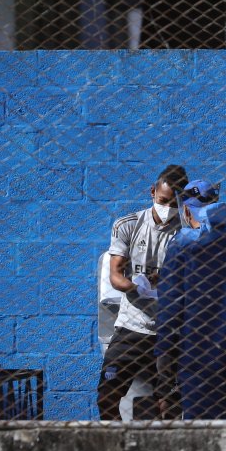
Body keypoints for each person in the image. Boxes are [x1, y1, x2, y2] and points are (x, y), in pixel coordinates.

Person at [155, 179, 226, 420]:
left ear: (186, 210)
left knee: (202, 429)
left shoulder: (181, 246)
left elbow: (169, 311)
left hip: (198, 356)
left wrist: (165, 373)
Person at [96, 164, 188, 420]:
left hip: (169, 329)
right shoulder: (128, 225)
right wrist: (137, 287)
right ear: (152, 192)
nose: (167, 208)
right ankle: (114, 447)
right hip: (132, 325)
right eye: (163, 201)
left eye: (173, 203)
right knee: (107, 395)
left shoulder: (185, 232)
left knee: (168, 403)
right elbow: (115, 275)